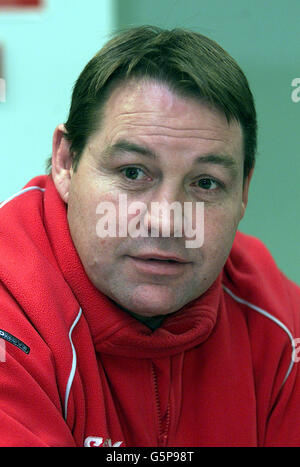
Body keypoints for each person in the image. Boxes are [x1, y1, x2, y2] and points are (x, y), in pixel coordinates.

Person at [0, 25, 300, 448]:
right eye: (132, 173)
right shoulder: (9, 314)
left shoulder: (279, 322)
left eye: (206, 184)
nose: (166, 220)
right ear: (66, 163)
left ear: (244, 191)